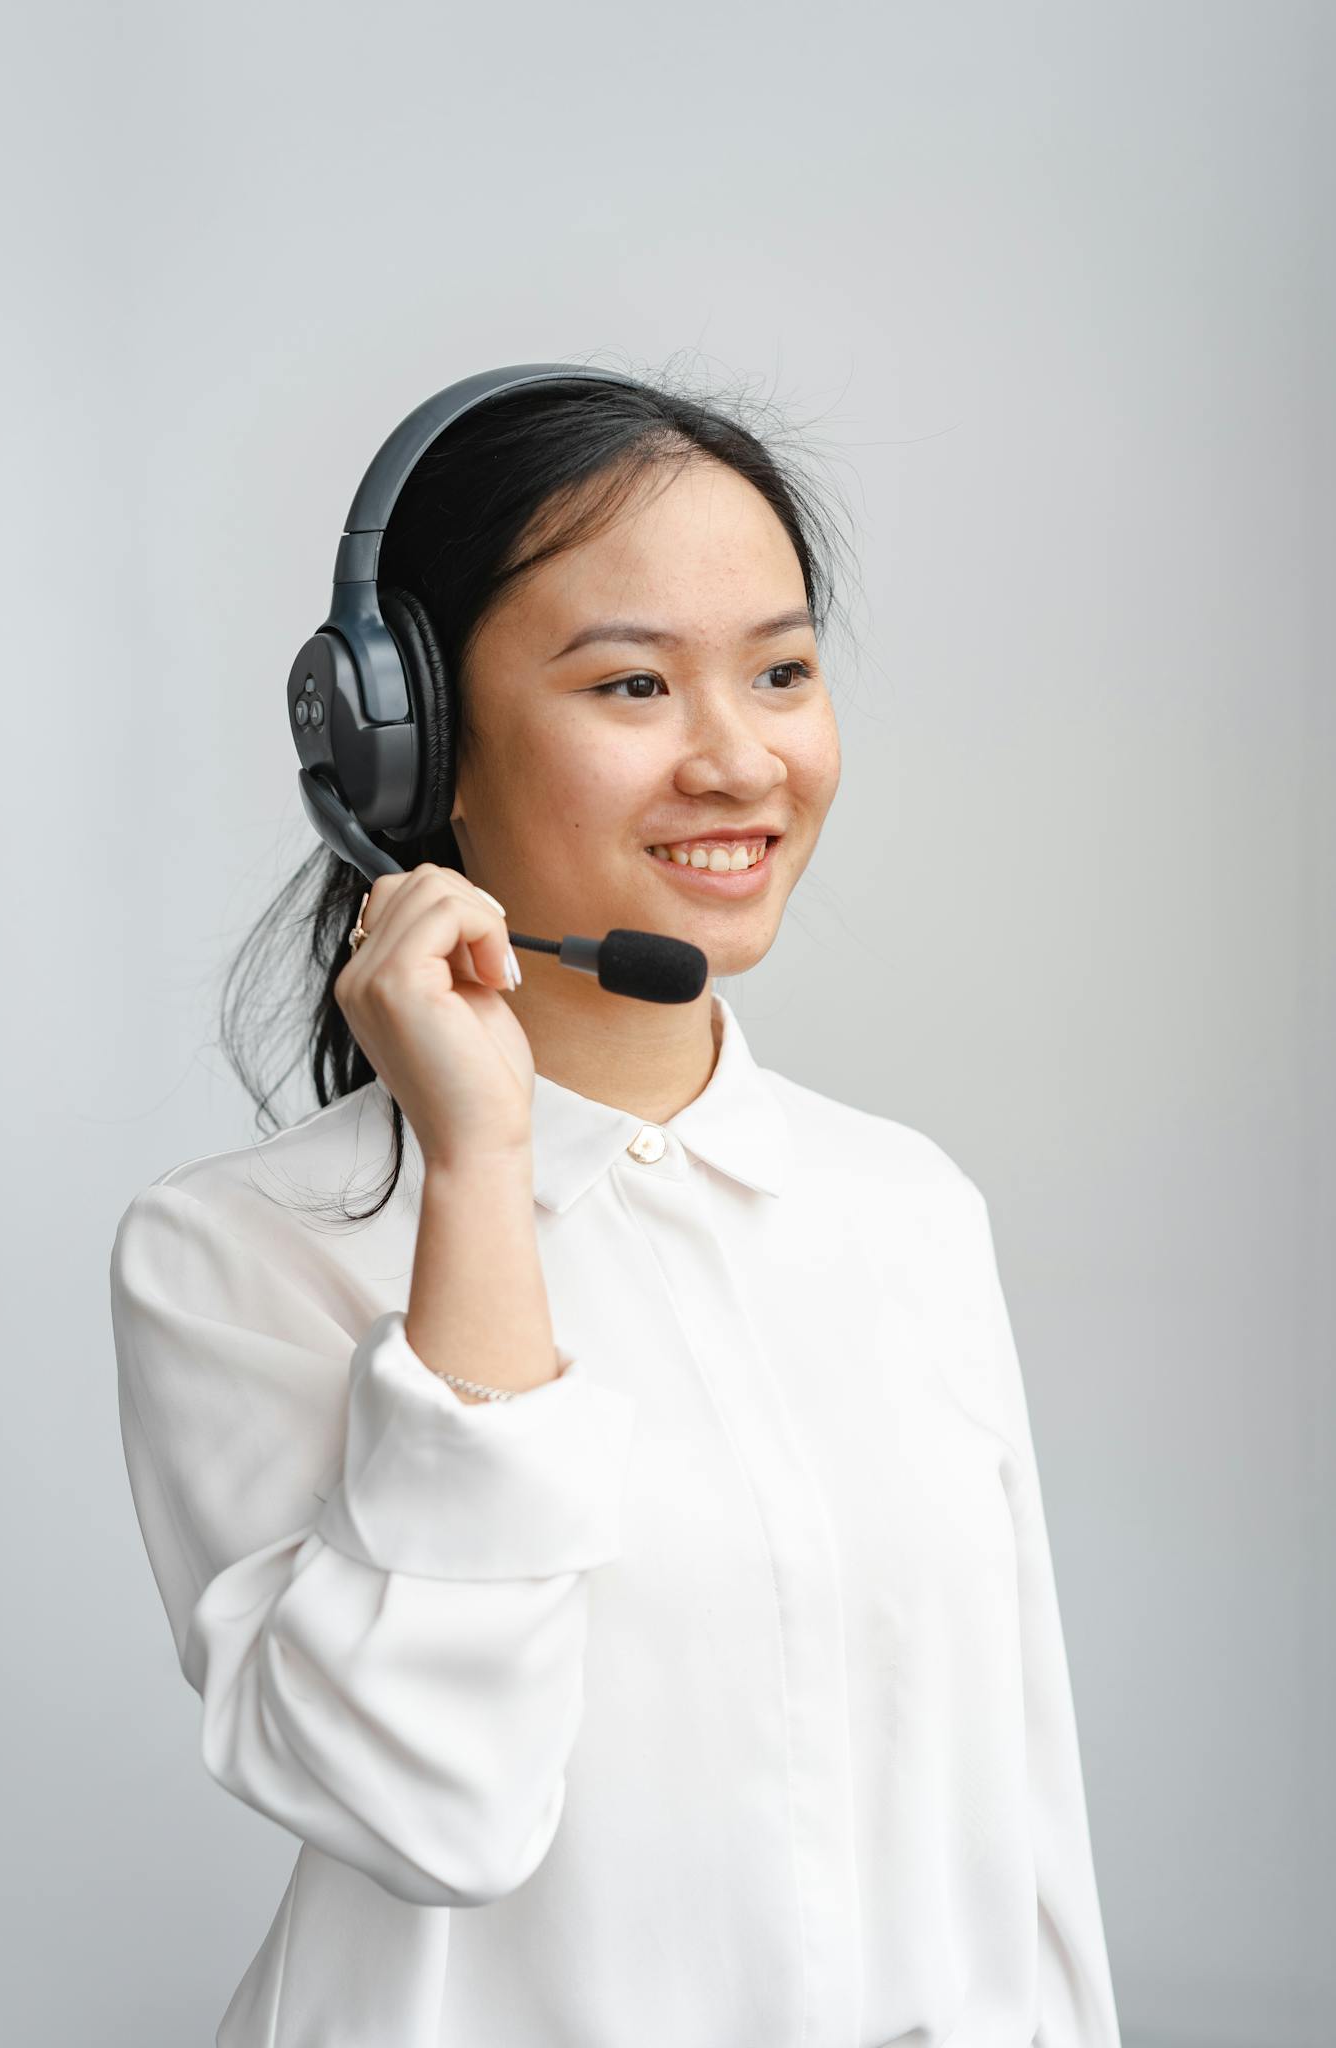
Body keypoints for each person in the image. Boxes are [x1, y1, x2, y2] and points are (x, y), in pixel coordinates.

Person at [109, 369, 1123, 2045]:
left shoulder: (906, 1210)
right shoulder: (237, 1254)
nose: (737, 759)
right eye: (633, 683)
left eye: (782, 673)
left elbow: (1018, 1834)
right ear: (406, 747)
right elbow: (439, 1809)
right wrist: (483, 1172)